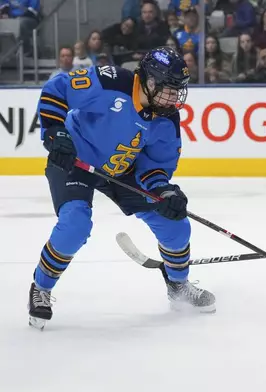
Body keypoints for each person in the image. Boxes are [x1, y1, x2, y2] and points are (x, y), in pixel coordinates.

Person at [30, 46, 216, 330]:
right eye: (170, 89)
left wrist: (164, 192)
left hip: (122, 169)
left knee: (175, 224)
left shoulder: (166, 119)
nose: (175, 98)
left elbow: (155, 167)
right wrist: (56, 133)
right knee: (75, 224)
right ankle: (41, 288)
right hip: (75, 160)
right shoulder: (110, 82)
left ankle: (178, 287)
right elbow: (57, 89)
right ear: (150, 82)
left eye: (179, 91)